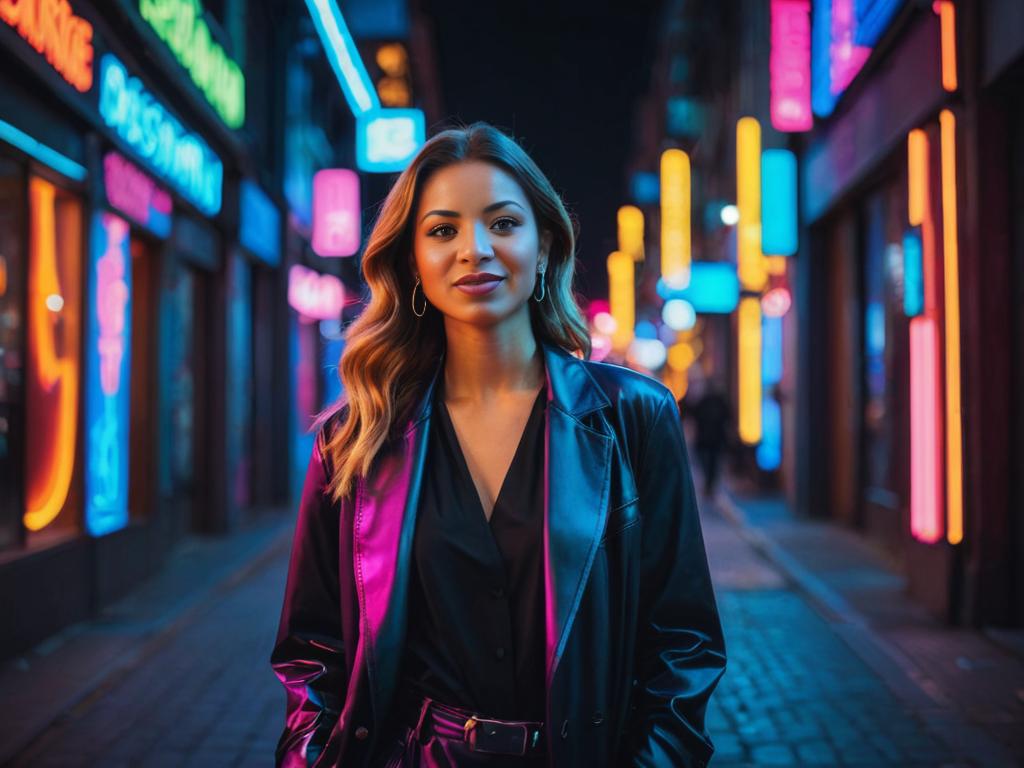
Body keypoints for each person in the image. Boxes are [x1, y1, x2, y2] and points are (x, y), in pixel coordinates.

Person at [270, 122, 726, 768]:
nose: (474, 249)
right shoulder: (354, 440)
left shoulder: (635, 419)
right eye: (442, 230)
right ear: (412, 261)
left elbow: (684, 645)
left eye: (503, 223)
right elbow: (310, 656)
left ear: (543, 248)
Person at [683, 381, 732, 498]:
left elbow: (692, 414)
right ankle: (710, 486)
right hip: (715, 439)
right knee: (713, 464)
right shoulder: (720, 402)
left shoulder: (703, 402)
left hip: (704, 440)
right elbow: (727, 418)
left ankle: (709, 486)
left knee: (707, 463)